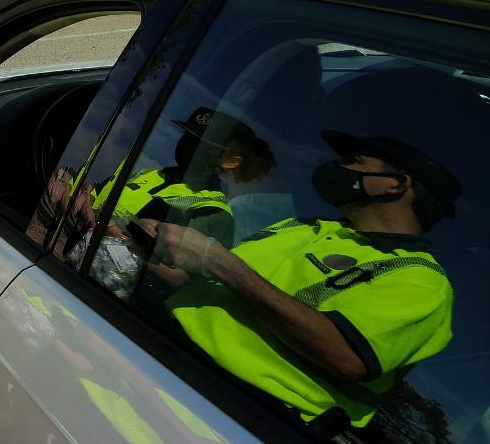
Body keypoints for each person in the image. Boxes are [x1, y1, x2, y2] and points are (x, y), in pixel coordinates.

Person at [143, 129, 459, 433]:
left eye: (355, 163)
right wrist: (148, 248)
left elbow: (347, 356)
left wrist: (218, 262)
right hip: (155, 358)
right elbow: (224, 297)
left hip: (229, 414)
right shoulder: (304, 226)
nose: (340, 168)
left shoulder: (420, 280)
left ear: (395, 184)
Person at [99, 107, 275, 247]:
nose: (187, 145)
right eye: (187, 136)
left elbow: (178, 277)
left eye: (200, 144)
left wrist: (106, 227)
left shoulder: (212, 210)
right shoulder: (151, 173)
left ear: (230, 162)